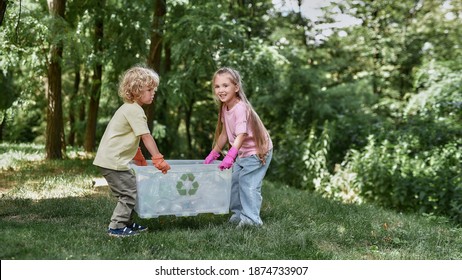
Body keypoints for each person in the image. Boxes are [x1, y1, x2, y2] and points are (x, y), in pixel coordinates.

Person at [93, 65, 171, 237]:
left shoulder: (128, 108)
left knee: (131, 188)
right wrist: (157, 159)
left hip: (111, 159)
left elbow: (127, 138)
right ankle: (117, 226)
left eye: (154, 89)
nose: (153, 93)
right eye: (149, 89)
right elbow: (145, 137)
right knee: (128, 193)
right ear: (136, 90)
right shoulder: (135, 111)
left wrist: (139, 157)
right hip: (114, 162)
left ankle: (126, 222)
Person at [204, 67, 273, 227]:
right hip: (243, 153)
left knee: (248, 184)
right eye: (217, 86)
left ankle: (251, 220)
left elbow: (241, 135)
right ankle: (239, 214)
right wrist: (213, 154)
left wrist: (230, 156)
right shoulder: (224, 106)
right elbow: (224, 134)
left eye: (225, 85)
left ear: (236, 87)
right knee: (234, 182)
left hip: (258, 152)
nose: (221, 90)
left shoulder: (240, 108)